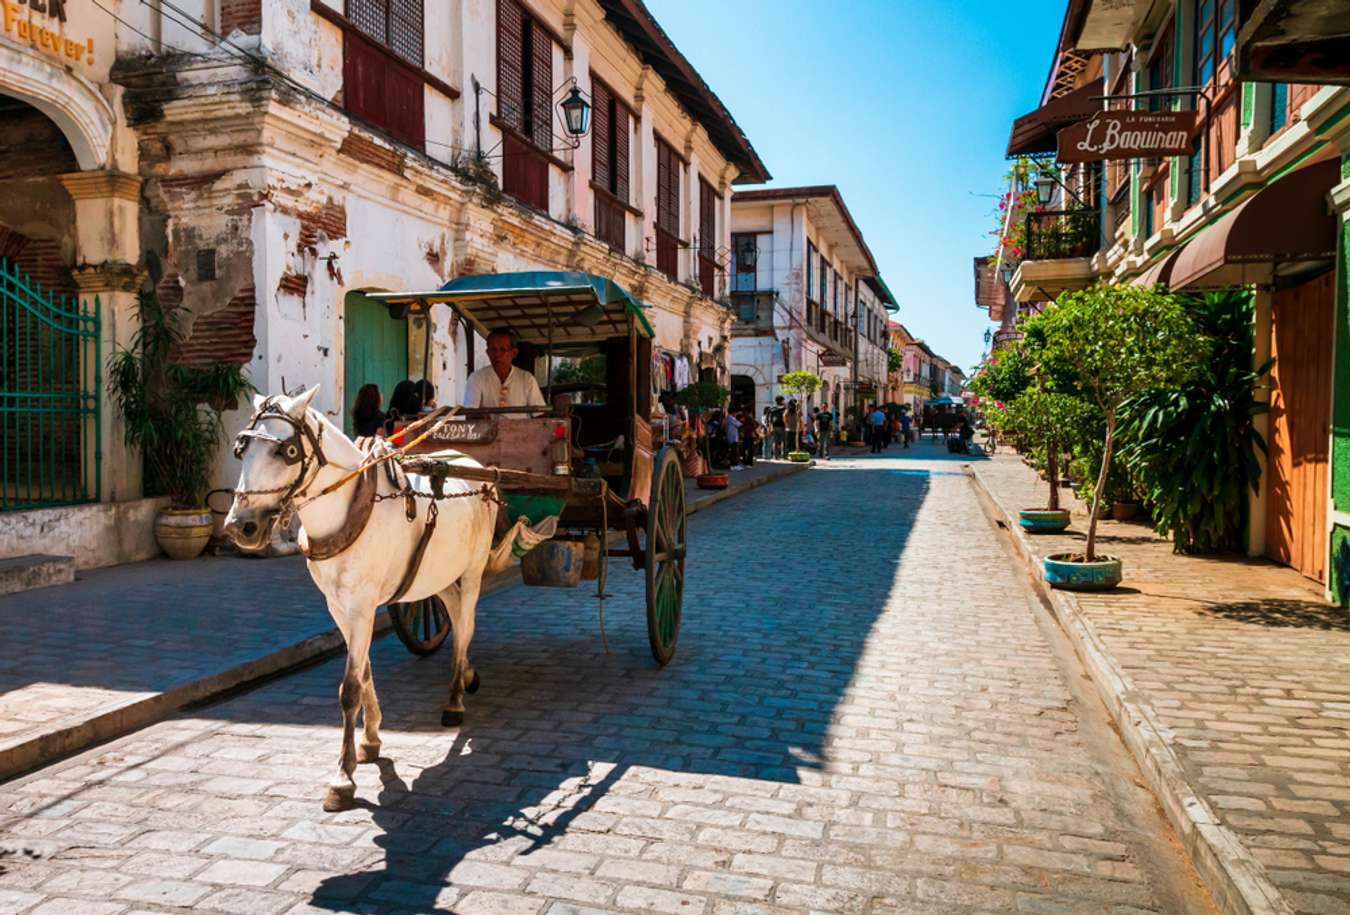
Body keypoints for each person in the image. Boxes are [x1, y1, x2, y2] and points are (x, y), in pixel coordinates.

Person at [464, 328, 546, 408]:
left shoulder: (527, 379)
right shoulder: (476, 378)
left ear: (514, 353)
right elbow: (470, 412)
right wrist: (480, 416)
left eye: (502, 349)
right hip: (488, 422)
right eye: (493, 350)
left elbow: (539, 413)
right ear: (488, 353)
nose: (497, 354)